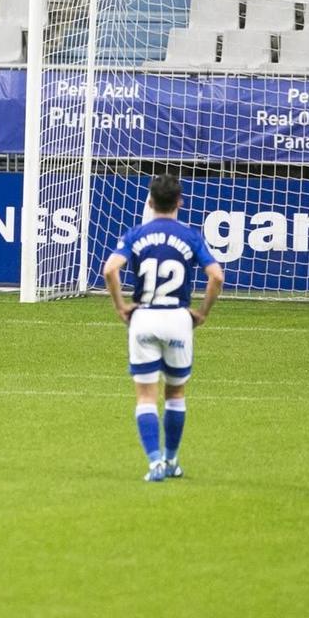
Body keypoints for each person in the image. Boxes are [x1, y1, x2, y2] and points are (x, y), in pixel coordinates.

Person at [102, 175, 223, 482]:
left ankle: (154, 462)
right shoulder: (190, 237)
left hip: (144, 317)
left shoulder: (136, 234)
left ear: (150, 202)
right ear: (179, 202)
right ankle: (171, 460)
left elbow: (110, 270)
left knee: (145, 395)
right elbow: (217, 277)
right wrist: (202, 313)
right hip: (178, 319)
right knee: (176, 393)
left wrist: (120, 307)